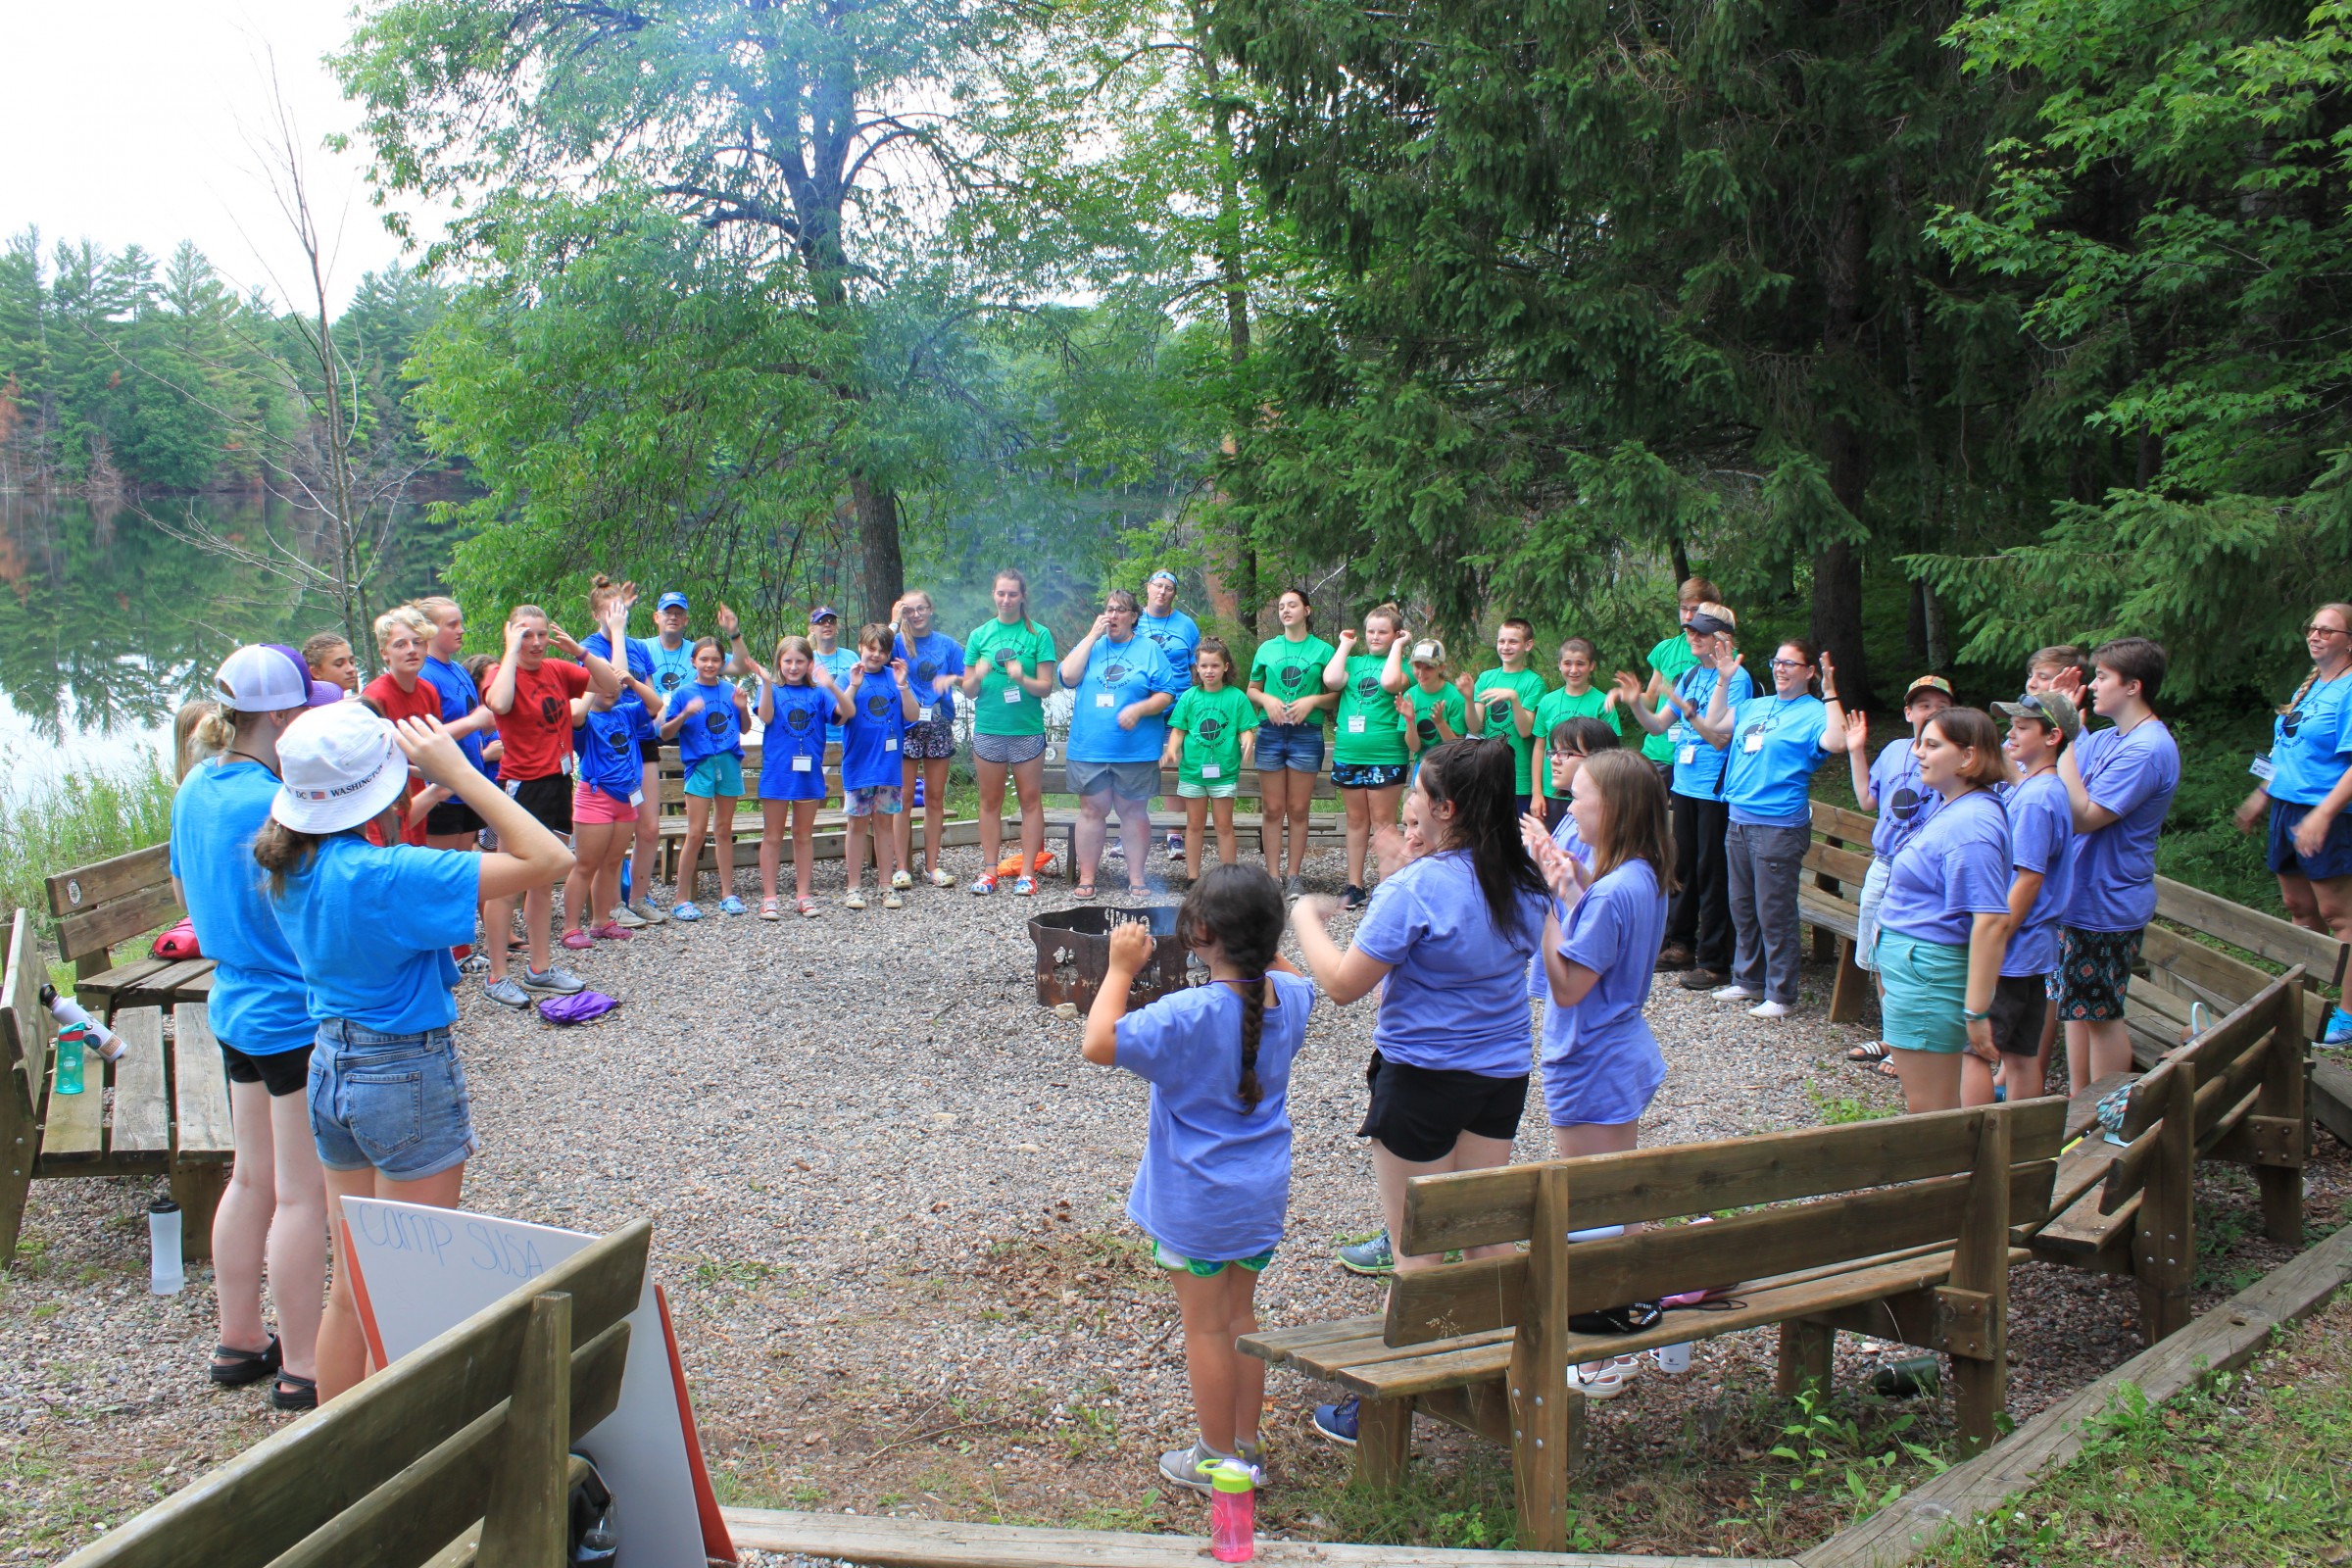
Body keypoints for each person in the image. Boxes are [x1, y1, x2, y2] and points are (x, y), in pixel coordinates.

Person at [255, 705, 573, 1400]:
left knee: (357, 1284)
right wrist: (459, 772)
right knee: (407, 1292)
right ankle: (395, 1467)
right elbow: (550, 856)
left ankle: (338, 1452)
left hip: (331, 1065)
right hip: (404, 1076)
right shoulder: (390, 876)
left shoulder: (292, 865)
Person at [1291, 738, 1549, 1445]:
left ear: (1445, 807)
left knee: (1417, 1250)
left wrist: (1306, 922)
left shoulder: (1417, 888)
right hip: (1500, 1079)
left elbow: (1344, 986)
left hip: (1422, 1082)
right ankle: (1511, 1381)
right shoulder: (1525, 878)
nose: (1407, 801)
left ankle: (1387, 1409)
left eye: (1416, 790)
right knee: (1482, 1236)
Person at [1081, 864, 1309, 1491]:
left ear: (1200, 932)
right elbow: (1289, 976)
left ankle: (1214, 1459)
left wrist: (1120, 968)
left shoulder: (1185, 1014)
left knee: (1206, 1327)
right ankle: (1245, 1445)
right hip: (1260, 1195)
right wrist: (1260, 942)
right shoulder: (1291, 998)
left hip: (1198, 1200)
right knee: (1241, 1317)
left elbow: (1098, 1043)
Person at [172, 648, 333, 1411]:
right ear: (280, 716)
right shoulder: (276, 799)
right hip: (289, 1013)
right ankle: (303, 1364)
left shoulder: (195, 785)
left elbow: (183, 887)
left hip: (232, 1004)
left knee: (250, 1177)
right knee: (303, 1195)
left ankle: (238, 1339)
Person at [1689, 637, 1846, 1018]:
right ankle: (1748, 979)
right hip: (1739, 818)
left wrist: (1830, 694)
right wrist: (1725, 680)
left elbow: (1839, 742)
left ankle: (1781, 993)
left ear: (1809, 671)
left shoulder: (1814, 713)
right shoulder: (1756, 705)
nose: (1780, 668)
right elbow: (1713, 723)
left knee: (1773, 911)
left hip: (1777, 825)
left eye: (1790, 664)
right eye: (1776, 661)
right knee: (1742, 906)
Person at [2054, 637, 2182, 1093]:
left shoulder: (2147, 749)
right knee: (2077, 1009)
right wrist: (2065, 724)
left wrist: (2068, 738)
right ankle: (2078, 1108)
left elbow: (2084, 815)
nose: (2092, 685)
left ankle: (2109, 1123)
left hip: (2106, 904)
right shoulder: (2110, 738)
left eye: (2103, 677)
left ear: (2133, 687)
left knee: (2102, 1016)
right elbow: (2059, 776)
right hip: (2080, 897)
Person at [1870, 708, 2013, 1113]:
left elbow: (1990, 920)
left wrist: (1976, 1011)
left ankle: (1938, 1176)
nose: (1918, 752)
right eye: (1920, 742)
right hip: (1918, 975)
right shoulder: (1954, 806)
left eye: (1933, 745)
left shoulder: (1973, 824)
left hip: (1929, 980)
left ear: (1968, 757)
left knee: (1930, 1112)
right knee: (1932, 1108)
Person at [480, 604, 620, 1004]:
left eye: (541, 634)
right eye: (526, 634)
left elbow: (610, 685)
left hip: (558, 782)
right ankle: (496, 975)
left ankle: (539, 968)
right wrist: (510, 651)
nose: (537, 643)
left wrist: (580, 651)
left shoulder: (557, 669)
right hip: (522, 787)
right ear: (510, 636)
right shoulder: (502, 672)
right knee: (508, 883)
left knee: (543, 881)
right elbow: (500, 704)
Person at [1613, 602, 1750, 986]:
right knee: (1683, 865)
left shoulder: (1736, 680)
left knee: (1712, 871)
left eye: (1701, 632)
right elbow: (1657, 727)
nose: (1691, 636)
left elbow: (1721, 740)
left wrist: (1686, 711)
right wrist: (1636, 702)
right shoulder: (1691, 674)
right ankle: (1680, 944)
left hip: (1716, 790)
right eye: (1690, 630)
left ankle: (1714, 960)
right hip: (1685, 784)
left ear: (1723, 638)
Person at [2235, 604, 2352, 1045]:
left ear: (2350, 641)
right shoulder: (2310, 687)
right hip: (2285, 809)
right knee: (2300, 911)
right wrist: (2260, 796)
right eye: (2312, 628)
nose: (2316, 635)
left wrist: (2322, 815)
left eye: (2328, 629)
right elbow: (2283, 749)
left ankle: (2348, 1012)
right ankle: (2305, 1002)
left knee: (2341, 916)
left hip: (2329, 815)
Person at [1838, 674, 1956, 1076]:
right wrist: (1857, 750)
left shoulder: (1954, 758)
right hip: (1884, 864)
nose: (1931, 711)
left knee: (1912, 956)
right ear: (1908, 712)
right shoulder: (1893, 751)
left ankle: (1908, 1044)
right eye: (1923, 705)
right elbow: (1867, 800)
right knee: (1878, 956)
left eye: (1940, 705)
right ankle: (1892, 1034)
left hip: (1924, 873)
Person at [1060, 588, 1182, 900]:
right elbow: (1068, 676)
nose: (1112, 615)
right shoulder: (1092, 646)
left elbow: (1167, 694)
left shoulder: (1149, 650)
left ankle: (1137, 878)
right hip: (1090, 747)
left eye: (1120, 610)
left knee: (1134, 812)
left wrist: (1139, 709)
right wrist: (1090, 636)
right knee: (1091, 811)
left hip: (1135, 750)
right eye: (1109, 609)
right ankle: (1087, 877)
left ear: (1134, 617)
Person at [1989, 691, 2081, 1098]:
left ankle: (1971, 1146)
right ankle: (2023, 1146)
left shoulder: (2037, 799)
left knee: (1979, 1050)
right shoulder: (2042, 787)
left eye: (2023, 727)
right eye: (2011, 726)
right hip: (2034, 947)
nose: (2012, 734)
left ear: (2052, 736)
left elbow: (2028, 878)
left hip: (2014, 949)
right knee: (2020, 1055)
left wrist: (1995, 935)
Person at [961, 572, 1058, 895]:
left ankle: (1027, 874)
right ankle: (990, 871)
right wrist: (978, 674)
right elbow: (969, 691)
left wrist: (1021, 678)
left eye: (1012, 594)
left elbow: (1046, 688)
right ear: (993, 595)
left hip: (1026, 731)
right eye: (1001, 594)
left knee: (1030, 801)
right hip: (989, 728)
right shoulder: (980, 635)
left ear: (1022, 596)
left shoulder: (1039, 634)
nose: (1006, 599)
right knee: (990, 801)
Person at [580, 576, 664, 928]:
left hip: (640, 738)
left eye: (621, 609)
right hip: (608, 744)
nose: (619, 615)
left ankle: (638, 898)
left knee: (649, 828)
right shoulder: (590, 646)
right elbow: (614, 680)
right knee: (614, 835)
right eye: (610, 610)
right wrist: (616, 633)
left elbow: (647, 693)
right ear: (598, 613)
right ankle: (609, 905)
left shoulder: (639, 647)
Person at [1248, 589, 1338, 895]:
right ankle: (1272, 876)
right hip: (1271, 733)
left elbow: (1336, 695)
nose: (1285, 610)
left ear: (1307, 611)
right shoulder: (1267, 649)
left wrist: (1312, 700)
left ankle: (1294, 876)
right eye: (1281, 606)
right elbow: (1251, 690)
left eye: (1292, 605)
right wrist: (1266, 699)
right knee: (1273, 808)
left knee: (1298, 809)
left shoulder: (1324, 651)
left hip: (1306, 734)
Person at [755, 636, 851, 918]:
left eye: (800, 661)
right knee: (772, 835)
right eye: (788, 662)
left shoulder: (820, 693)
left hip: (809, 773)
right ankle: (770, 897)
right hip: (777, 774)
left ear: (810, 664)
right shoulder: (773, 689)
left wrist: (832, 683)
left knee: (803, 835)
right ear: (779, 663)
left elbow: (844, 715)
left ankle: (803, 894)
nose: (794, 667)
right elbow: (766, 717)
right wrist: (765, 683)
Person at [1322, 605, 1411, 909]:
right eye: (1371, 631)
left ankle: (1388, 885)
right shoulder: (1355, 662)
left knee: (1384, 822)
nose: (1375, 637)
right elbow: (1332, 680)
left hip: (1385, 754)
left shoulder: (1403, 667)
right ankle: (1355, 885)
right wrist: (1345, 645)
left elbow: (1389, 683)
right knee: (1357, 820)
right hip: (1350, 752)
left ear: (1396, 635)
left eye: (1383, 632)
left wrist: (1398, 647)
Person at [660, 636, 753, 920]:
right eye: (704, 659)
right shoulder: (684, 693)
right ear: (694, 662)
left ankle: (728, 894)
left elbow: (746, 728)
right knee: (696, 832)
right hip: (700, 766)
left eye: (715, 659)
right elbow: (664, 733)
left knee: (724, 830)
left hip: (728, 764)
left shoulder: (730, 690)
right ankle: (681, 898)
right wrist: (685, 714)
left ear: (722, 662)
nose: (710, 664)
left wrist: (742, 707)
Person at [1164, 639, 1261, 880]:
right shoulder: (1189, 697)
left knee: (1224, 825)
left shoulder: (1236, 697)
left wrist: (1247, 740)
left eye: (1215, 666)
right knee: (1194, 825)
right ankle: (1192, 877)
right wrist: (1172, 749)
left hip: (1225, 772)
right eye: (1204, 665)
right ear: (1196, 667)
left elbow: (1246, 728)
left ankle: (1228, 878)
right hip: (1193, 772)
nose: (1209, 671)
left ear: (1226, 667)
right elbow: (1178, 730)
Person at [891, 590, 966, 891]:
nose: (916, 615)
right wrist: (894, 620)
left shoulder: (947, 645)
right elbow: (872, 652)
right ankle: (901, 867)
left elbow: (968, 676)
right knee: (904, 798)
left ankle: (932, 865)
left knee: (935, 798)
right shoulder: (896, 641)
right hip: (905, 723)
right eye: (909, 611)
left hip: (937, 722)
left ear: (931, 609)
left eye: (921, 609)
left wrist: (952, 680)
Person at [414, 597, 498, 857]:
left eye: (460, 623)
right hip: (444, 790)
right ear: (428, 631)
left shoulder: (459, 670)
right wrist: (474, 721)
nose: (461, 629)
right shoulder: (425, 674)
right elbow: (422, 737)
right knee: (444, 875)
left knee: (466, 871)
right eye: (452, 624)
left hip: (469, 784)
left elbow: (469, 725)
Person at [842, 623, 918, 908]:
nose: (875, 655)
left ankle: (886, 885)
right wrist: (853, 685)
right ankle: (853, 887)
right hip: (859, 767)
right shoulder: (849, 676)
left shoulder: (893, 678)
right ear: (860, 647)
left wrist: (903, 685)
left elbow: (912, 715)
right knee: (856, 825)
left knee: (884, 825)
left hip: (888, 768)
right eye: (870, 649)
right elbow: (839, 715)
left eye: (882, 651)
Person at [562, 685, 642, 950]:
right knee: (586, 864)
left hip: (627, 797)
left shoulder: (624, 713)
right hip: (595, 797)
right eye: (600, 683)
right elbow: (575, 718)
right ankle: (570, 927)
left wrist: (628, 679)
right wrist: (591, 685)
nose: (609, 689)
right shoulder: (586, 719)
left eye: (611, 684)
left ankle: (601, 921)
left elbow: (654, 707)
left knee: (613, 862)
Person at [1138, 569, 1204, 861]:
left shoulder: (1186, 625)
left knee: (1173, 766)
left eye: (1168, 588)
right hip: (1142, 706)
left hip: (1177, 708)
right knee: (1136, 767)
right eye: (1158, 586)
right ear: (1148, 588)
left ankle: (1173, 834)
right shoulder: (1134, 619)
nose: (1162, 592)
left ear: (1174, 593)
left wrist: (1196, 701)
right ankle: (1127, 830)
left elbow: (1196, 666)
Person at [1531, 636, 1624, 827]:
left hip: (1588, 792)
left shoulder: (1602, 703)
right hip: (1552, 792)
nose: (1573, 670)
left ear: (1591, 666)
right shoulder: (1548, 701)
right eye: (1568, 663)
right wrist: (1537, 793)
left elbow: (1611, 753)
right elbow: (1540, 749)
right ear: (1559, 665)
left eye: (1580, 664)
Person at [1639, 578, 1720, 787]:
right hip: (1658, 751)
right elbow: (1650, 699)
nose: (1689, 616)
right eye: (1684, 608)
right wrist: (1630, 697)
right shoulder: (1665, 649)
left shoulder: (1721, 653)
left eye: (1695, 609)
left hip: (1699, 753)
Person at [1468, 617, 1545, 816]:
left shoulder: (1533, 682)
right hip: (1487, 772)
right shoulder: (1486, 678)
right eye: (1501, 641)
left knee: (1517, 840)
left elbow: (1525, 730)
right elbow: (1475, 727)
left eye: (1513, 642)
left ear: (1528, 645)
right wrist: (1469, 698)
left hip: (1519, 778)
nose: (1506, 647)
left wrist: (1514, 699)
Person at [1400, 639, 1466, 779]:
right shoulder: (1409, 696)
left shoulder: (1454, 697)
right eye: (1417, 667)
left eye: (1428, 667)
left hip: (1449, 766)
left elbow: (1456, 747)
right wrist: (1410, 720)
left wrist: (1440, 723)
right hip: (1422, 765)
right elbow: (1414, 748)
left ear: (1441, 667)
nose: (1421, 673)